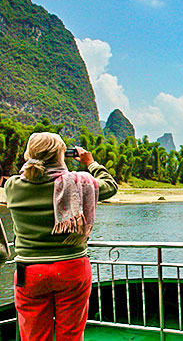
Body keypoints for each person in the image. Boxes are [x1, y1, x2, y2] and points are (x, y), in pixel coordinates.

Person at [4, 132, 118, 341]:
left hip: (29, 272)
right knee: (71, 335)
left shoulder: (13, 187)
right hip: (71, 267)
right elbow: (110, 186)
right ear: (61, 155)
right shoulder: (77, 184)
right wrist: (90, 163)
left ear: (29, 154)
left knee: (33, 336)